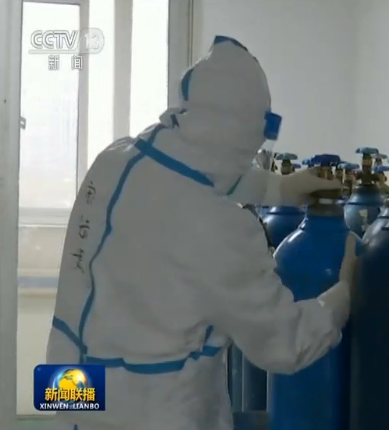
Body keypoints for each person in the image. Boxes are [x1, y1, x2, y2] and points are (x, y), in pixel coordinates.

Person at [46, 35, 358, 430]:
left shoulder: (118, 159)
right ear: (247, 134)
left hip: (71, 387)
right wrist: (340, 299)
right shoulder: (220, 231)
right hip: (150, 411)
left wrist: (278, 189)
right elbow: (283, 343)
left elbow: (198, 171)